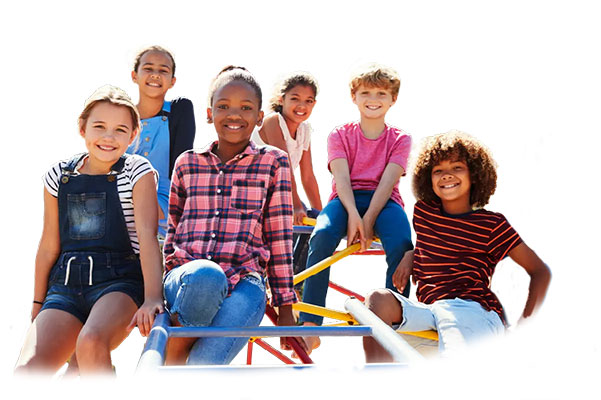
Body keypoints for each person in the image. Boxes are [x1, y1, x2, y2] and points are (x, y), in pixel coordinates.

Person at [362, 130, 551, 361]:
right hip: (429, 311)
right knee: (376, 300)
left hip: (470, 310)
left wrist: (525, 326)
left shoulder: (492, 224)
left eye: (457, 167)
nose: (446, 175)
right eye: (438, 170)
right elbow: (432, 244)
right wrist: (411, 254)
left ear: (475, 174)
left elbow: (540, 271)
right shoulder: (424, 213)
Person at [14, 86, 164, 375]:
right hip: (64, 286)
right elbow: (48, 245)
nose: (108, 137)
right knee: (27, 371)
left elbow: (148, 237)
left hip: (119, 283)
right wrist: (37, 303)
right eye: (99, 127)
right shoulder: (59, 174)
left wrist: (153, 297)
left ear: (133, 136)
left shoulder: (137, 171)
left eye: (120, 130)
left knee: (91, 342)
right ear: (82, 128)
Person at [162, 66, 302, 365]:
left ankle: (172, 363)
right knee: (205, 276)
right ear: (210, 113)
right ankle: (171, 358)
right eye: (223, 106)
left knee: (202, 368)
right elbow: (172, 230)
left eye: (246, 108)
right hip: (188, 278)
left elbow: (279, 237)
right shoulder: (187, 163)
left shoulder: (273, 162)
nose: (234, 114)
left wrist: (285, 306)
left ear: (259, 117)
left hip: (243, 282)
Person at [298, 64, 413, 354]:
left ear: (393, 99)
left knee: (401, 241)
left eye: (381, 93)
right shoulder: (340, 134)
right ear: (354, 97)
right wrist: (353, 216)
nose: (373, 98)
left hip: (384, 202)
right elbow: (341, 179)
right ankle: (311, 323)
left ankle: (395, 320)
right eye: (366, 92)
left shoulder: (400, 138)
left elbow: (388, 183)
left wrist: (368, 219)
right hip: (345, 199)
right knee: (322, 234)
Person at [252, 73, 323, 273]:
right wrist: (295, 205)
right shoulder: (273, 121)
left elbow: (308, 176)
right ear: (281, 99)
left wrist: (323, 216)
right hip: (258, 195)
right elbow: (283, 167)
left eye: (308, 101)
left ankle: (298, 277)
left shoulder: (304, 130)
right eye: (295, 99)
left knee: (316, 223)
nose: (302, 106)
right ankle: (280, 277)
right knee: (295, 216)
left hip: (280, 197)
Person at [128, 45, 196, 238]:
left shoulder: (179, 110)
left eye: (163, 70)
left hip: (163, 208)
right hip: (122, 203)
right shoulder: (122, 116)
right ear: (134, 75)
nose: (155, 75)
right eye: (148, 68)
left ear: (172, 81)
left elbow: (182, 166)